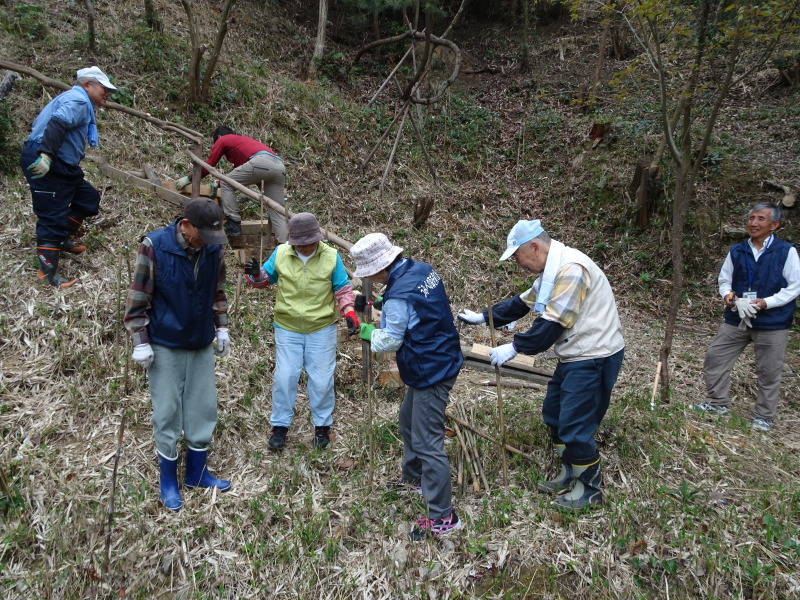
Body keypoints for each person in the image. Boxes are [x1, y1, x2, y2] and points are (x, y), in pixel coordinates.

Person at [459, 219, 625, 511]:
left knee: (574, 424)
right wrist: (484, 316)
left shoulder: (572, 270)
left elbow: (552, 324)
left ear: (534, 247)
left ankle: (589, 489)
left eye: (518, 257)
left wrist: (514, 347)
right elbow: (521, 303)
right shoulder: (552, 271)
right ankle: (569, 472)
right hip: (575, 354)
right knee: (554, 413)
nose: (518, 264)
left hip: (594, 356)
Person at [351, 233, 464, 540]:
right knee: (407, 420)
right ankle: (414, 479)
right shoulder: (420, 269)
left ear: (378, 269)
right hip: (439, 355)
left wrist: (365, 331)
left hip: (430, 368)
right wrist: (382, 304)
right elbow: (416, 306)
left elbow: (390, 339)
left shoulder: (400, 294)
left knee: (429, 443)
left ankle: (443, 518)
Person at [124, 198, 232, 511]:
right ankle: (168, 480)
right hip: (165, 342)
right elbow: (138, 297)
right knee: (167, 410)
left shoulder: (213, 248)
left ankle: (197, 473)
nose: (208, 243)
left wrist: (221, 327)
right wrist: (140, 340)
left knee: (203, 407)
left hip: (200, 340)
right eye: (202, 235)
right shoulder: (154, 246)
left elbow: (219, 291)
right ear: (185, 225)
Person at [243, 213, 358, 451]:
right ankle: (280, 427)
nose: (305, 247)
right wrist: (255, 274)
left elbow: (342, 289)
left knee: (322, 379)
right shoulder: (281, 253)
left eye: (310, 242)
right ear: (292, 241)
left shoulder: (331, 256)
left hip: (321, 327)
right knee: (285, 377)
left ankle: (322, 426)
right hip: (287, 326)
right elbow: (265, 279)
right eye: (300, 244)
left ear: (318, 238)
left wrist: (349, 313)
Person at [693, 202, 799, 432]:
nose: (753, 223)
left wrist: (766, 302)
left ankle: (764, 416)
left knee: (769, 370)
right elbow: (724, 281)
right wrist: (729, 297)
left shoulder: (785, 251)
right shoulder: (737, 250)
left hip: (773, 322)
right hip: (737, 317)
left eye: (761, 219)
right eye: (751, 218)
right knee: (716, 357)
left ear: (775, 225)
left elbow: (794, 287)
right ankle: (717, 403)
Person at [20, 66, 118, 288]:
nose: (107, 94)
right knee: (52, 215)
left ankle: (61, 239)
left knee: (87, 198)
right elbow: (57, 124)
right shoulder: (79, 101)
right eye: (104, 88)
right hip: (48, 161)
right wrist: (45, 156)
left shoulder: (77, 100)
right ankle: (47, 273)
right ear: (87, 85)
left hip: (62, 165)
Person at [176, 126, 286, 240]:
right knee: (277, 210)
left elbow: (210, 164)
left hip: (261, 162)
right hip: (279, 166)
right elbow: (236, 177)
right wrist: (217, 184)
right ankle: (285, 247)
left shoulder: (223, 139)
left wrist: (190, 178)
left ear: (218, 137)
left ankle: (233, 221)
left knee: (226, 182)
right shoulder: (243, 145)